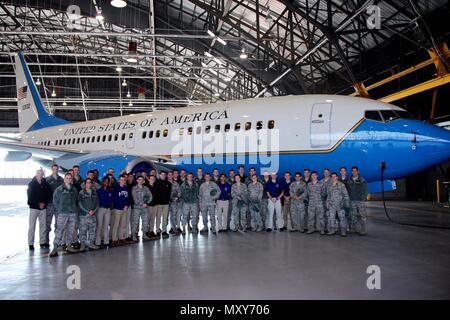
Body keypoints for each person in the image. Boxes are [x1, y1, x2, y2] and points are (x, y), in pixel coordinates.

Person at [49, 173, 79, 257]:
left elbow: (75, 200)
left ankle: (69, 246)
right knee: (59, 230)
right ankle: (55, 248)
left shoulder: (74, 189)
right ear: (64, 179)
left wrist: (74, 209)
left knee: (70, 230)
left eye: (70, 178)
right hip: (63, 213)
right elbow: (55, 201)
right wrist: (60, 210)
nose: (68, 179)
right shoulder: (59, 189)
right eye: (67, 178)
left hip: (72, 213)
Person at [27, 169, 51, 250]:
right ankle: (30, 243)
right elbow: (30, 196)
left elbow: (48, 195)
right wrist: (38, 204)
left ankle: (42, 242)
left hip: (43, 208)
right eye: (38, 173)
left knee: (43, 226)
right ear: (36, 174)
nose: (40, 175)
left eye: (41, 173)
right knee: (32, 226)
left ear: (43, 174)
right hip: (34, 208)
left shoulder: (46, 184)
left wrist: (44, 203)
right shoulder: (31, 184)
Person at [78, 178, 99, 251]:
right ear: (85, 184)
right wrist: (87, 211)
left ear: (91, 184)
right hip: (84, 215)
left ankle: (91, 244)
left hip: (92, 215)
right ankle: (82, 245)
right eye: (87, 182)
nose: (88, 184)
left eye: (90, 183)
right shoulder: (81, 192)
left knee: (92, 230)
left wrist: (93, 211)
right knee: (82, 230)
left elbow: (97, 203)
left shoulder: (94, 192)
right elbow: (80, 203)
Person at [45, 164, 63, 246]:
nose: (55, 170)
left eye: (56, 169)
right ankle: (46, 240)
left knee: (58, 224)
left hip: (58, 205)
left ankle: (57, 241)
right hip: (50, 204)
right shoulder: (47, 180)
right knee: (47, 223)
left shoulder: (61, 180)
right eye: (54, 169)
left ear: (58, 169)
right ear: (52, 169)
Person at [348, 166, 368, 235]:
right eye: (353, 171)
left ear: (358, 171)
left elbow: (365, 190)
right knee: (353, 215)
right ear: (351, 172)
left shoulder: (362, 180)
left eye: (355, 171)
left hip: (360, 201)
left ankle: (363, 230)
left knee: (362, 215)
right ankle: (354, 229)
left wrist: (363, 198)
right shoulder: (349, 180)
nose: (354, 172)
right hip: (352, 200)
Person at [111, 174, 131, 245]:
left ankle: (121, 238)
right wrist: (116, 207)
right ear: (119, 180)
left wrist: (127, 206)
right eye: (121, 180)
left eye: (124, 180)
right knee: (116, 224)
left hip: (125, 209)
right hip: (117, 209)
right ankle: (114, 239)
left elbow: (129, 199)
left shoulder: (126, 188)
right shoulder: (116, 189)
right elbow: (113, 199)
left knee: (123, 224)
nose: (123, 181)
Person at [131, 175, 152, 241]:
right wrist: (142, 204)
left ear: (143, 181)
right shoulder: (134, 188)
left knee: (145, 222)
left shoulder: (146, 188)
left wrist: (147, 203)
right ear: (137, 180)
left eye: (142, 180)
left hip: (145, 208)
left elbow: (150, 196)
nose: (140, 181)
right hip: (137, 208)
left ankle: (144, 234)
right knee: (135, 222)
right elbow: (135, 199)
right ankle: (134, 235)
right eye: (139, 179)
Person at [95, 177, 112, 248]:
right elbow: (96, 201)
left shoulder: (110, 191)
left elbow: (112, 200)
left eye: (107, 181)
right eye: (105, 181)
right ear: (103, 182)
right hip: (100, 209)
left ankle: (106, 241)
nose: (106, 182)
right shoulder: (99, 191)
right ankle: (98, 242)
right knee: (99, 226)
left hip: (108, 209)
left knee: (106, 226)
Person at [154, 171, 172, 238]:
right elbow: (155, 193)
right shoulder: (156, 183)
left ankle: (164, 231)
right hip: (158, 203)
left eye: (164, 174)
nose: (163, 176)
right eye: (162, 174)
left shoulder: (168, 183)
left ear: (166, 175)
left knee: (165, 218)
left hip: (166, 203)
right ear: (160, 175)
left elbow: (169, 193)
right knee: (158, 217)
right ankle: (158, 230)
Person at [146, 175, 159, 239]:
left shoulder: (156, 186)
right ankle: (146, 232)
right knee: (147, 219)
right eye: (151, 179)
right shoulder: (146, 187)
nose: (152, 180)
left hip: (155, 205)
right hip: (149, 205)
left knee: (153, 219)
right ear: (148, 179)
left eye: (153, 179)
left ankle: (151, 231)